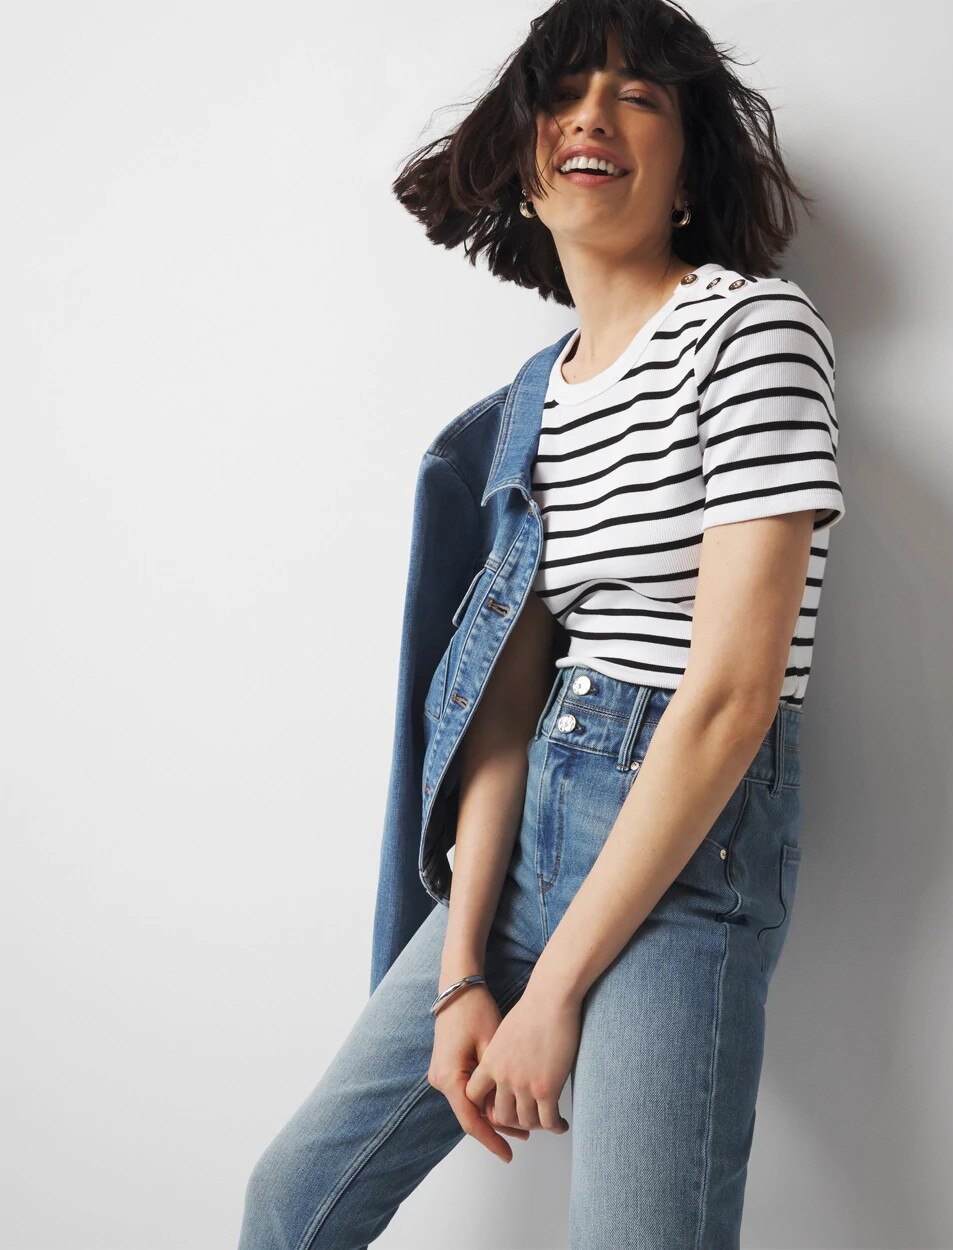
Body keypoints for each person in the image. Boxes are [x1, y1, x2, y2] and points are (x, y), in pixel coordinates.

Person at [238, 0, 845, 1245]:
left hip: (688, 850)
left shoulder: (750, 331)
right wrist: (465, 969)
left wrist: (553, 988)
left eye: (638, 95)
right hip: (527, 833)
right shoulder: (530, 404)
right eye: (564, 95)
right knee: (293, 1198)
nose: (592, 116)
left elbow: (731, 696)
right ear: (525, 160)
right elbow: (507, 704)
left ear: (688, 165)